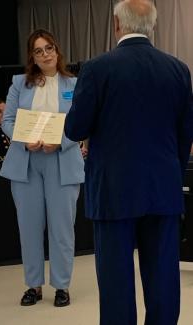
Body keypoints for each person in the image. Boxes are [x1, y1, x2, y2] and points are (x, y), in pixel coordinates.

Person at [65, 1, 193, 324]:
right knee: (164, 276)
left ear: (117, 24)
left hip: (113, 191)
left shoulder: (97, 68)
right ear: (152, 25)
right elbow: (184, 135)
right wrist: (170, 173)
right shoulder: (178, 69)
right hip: (163, 189)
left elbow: (75, 128)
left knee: (116, 282)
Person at [0, 29, 84, 307]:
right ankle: (33, 285)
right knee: (29, 227)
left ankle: (62, 286)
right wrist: (25, 140)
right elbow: (8, 120)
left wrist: (59, 142)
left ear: (57, 50)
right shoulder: (18, 84)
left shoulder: (74, 83)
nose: (46, 54)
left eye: (49, 48)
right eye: (39, 51)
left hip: (62, 160)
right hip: (26, 162)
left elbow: (80, 123)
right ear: (32, 57)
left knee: (62, 229)